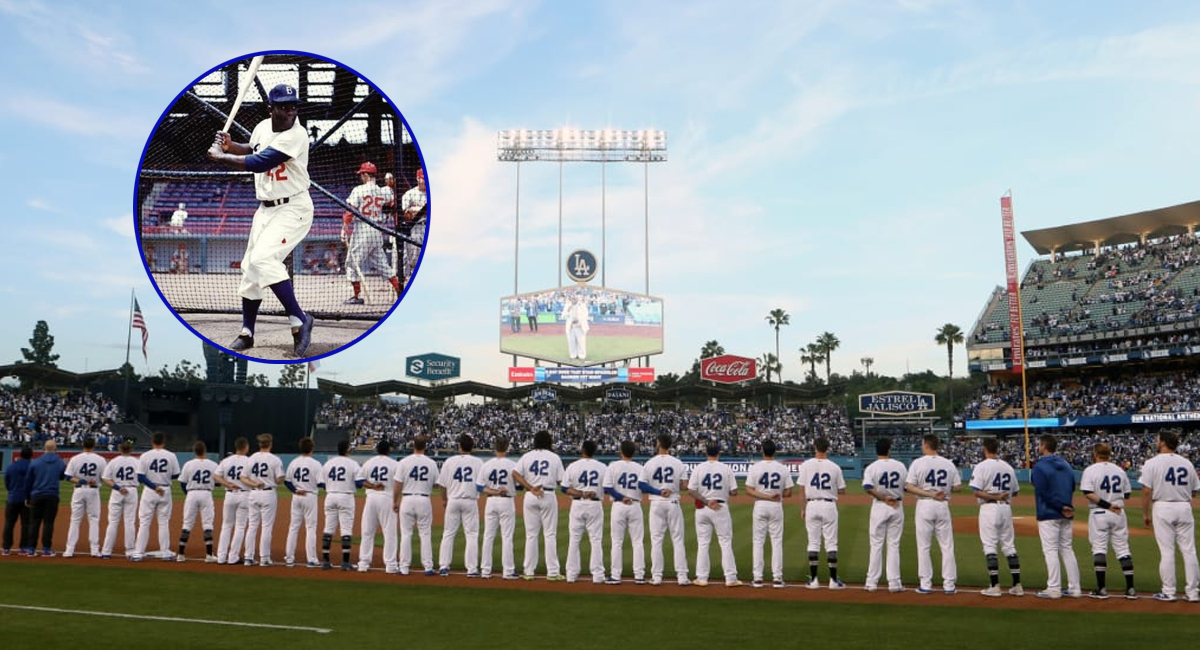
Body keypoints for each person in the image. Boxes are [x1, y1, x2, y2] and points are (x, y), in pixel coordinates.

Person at [207, 83, 315, 357]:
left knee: (264, 259)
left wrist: (222, 157)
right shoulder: (262, 127)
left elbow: (260, 161)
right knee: (250, 268)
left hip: (293, 207)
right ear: (272, 109)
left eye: (294, 106)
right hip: (266, 209)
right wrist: (234, 146)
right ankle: (247, 332)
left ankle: (300, 319)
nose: (290, 110)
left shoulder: (297, 135)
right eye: (284, 106)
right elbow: (252, 148)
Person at [1138, 431, 1199, 602]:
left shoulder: (1152, 462)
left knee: (1167, 551)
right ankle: (1193, 592)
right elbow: (1194, 490)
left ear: (1163, 443)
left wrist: (1145, 513)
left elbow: (1146, 491)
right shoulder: (1187, 463)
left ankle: (1169, 591)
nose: (1156, 442)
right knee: (1189, 551)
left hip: (1163, 506)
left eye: (1158, 440)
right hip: (1184, 506)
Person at [905, 434, 961, 594]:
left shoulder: (918, 463)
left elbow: (909, 486)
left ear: (926, 445)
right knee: (947, 546)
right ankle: (949, 585)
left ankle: (926, 584)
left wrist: (930, 494)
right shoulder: (948, 464)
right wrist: (944, 491)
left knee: (924, 546)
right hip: (943, 505)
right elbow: (958, 487)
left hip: (925, 504)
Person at [1080, 442, 1137, 600]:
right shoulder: (1119, 470)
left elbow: (1088, 493)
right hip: (1119, 513)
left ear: (1095, 454)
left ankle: (1101, 589)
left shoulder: (1090, 470)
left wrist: (1106, 504)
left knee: (1099, 548)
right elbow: (1127, 495)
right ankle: (1131, 589)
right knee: (1123, 549)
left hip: (1099, 512)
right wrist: (1113, 502)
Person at [969, 437, 1023, 597]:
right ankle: (1017, 585)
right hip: (1006, 509)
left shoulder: (982, 466)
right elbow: (1016, 491)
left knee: (990, 546)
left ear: (985, 448)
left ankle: (994, 586)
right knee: (1009, 545)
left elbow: (976, 491)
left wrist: (995, 495)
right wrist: (1002, 494)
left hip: (989, 508)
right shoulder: (1008, 467)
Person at [341, 161, 399, 305]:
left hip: (362, 229)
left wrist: (344, 228)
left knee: (351, 262)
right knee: (382, 264)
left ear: (366, 175)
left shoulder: (359, 190)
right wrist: (390, 184)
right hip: (377, 229)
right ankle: (400, 290)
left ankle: (356, 296)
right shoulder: (384, 191)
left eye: (362, 174)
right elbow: (393, 202)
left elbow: (350, 212)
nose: (361, 177)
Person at [1032, 434, 1082, 599]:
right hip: (1067, 513)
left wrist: (1059, 507)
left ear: (1044, 446)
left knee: (1050, 550)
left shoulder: (1040, 466)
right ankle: (1075, 588)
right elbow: (1072, 487)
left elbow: (1042, 491)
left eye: (1040, 444)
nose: (1038, 447)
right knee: (1067, 549)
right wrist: (1066, 506)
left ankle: (1054, 588)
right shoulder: (1066, 465)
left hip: (1049, 513)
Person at [686, 440, 740, 587]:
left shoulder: (699, 468)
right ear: (719, 452)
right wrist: (724, 492)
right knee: (725, 542)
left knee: (703, 543)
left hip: (703, 508)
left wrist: (706, 500)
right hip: (720, 508)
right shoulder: (725, 468)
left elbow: (691, 490)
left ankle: (702, 578)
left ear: (706, 452)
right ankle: (730, 578)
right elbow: (734, 491)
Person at [513, 430, 566, 581]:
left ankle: (529, 571)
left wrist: (530, 487)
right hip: (547, 494)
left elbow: (515, 473)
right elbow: (561, 480)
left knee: (531, 535)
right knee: (549, 534)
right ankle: (553, 572)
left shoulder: (527, 456)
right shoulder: (554, 457)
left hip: (530, 495)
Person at [797, 437, 846, 589]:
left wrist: (803, 508)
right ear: (828, 447)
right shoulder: (835, 467)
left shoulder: (806, 465)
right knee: (831, 542)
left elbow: (802, 489)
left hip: (811, 505)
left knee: (813, 542)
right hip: (829, 505)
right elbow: (842, 490)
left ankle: (813, 580)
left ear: (814, 447)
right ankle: (833, 581)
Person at [744, 439, 793, 588]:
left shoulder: (755, 467)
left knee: (758, 542)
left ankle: (758, 578)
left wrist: (764, 495)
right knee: (776, 542)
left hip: (760, 505)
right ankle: (777, 578)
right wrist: (776, 495)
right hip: (776, 505)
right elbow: (789, 492)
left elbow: (748, 490)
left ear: (762, 451)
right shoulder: (782, 468)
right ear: (775, 451)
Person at [642, 433, 690, 586]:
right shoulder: (678, 462)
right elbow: (684, 486)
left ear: (658, 444)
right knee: (678, 540)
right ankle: (682, 576)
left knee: (656, 540)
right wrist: (672, 487)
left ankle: (656, 577)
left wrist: (658, 491)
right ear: (670, 445)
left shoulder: (649, 463)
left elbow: (642, 485)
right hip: (673, 501)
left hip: (656, 502)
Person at [862, 437, 907, 593]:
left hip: (880, 506)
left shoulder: (872, 467)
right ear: (889, 449)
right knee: (893, 545)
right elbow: (906, 486)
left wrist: (882, 497)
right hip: (896, 505)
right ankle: (894, 583)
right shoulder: (900, 466)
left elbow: (867, 487)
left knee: (876, 544)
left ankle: (872, 582)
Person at [561, 440, 608, 584]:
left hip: (577, 504)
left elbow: (564, 488)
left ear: (582, 450)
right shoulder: (602, 467)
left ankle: (571, 574)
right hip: (595, 505)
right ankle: (598, 575)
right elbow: (607, 487)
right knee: (596, 540)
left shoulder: (573, 466)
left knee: (574, 539)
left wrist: (581, 493)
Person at [437, 434, 483, 577]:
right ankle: (471, 569)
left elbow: (442, 484)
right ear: (472, 447)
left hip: (453, 500)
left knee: (448, 533)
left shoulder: (450, 461)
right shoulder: (478, 462)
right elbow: (482, 484)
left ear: (459, 446)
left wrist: (444, 500)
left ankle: (444, 566)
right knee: (472, 535)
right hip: (470, 501)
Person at [602, 440, 647, 585]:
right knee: (638, 542)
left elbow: (607, 488)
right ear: (633, 452)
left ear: (621, 451)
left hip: (619, 505)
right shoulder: (640, 468)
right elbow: (644, 488)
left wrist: (622, 497)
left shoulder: (613, 466)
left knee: (617, 542)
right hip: (635, 505)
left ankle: (615, 576)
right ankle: (639, 576)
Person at [132, 432, 180, 561]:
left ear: (152, 441)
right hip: (165, 490)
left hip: (150, 490)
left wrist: (153, 486)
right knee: (163, 522)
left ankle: (138, 553)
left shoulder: (145, 455)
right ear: (164, 442)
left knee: (144, 522)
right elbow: (176, 475)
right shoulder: (171, 455)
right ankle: (165, 552)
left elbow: (140, 476)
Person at [476, 436, 519, 580]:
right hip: (506, 501)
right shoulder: (513, 465)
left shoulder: (486, 465)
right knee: (507, 537)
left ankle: (485, 570)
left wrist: (494, 491)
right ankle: (508, 571)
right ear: (507, 447)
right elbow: (519, 486)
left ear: (495, 448)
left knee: (488, 535)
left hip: (491, 501)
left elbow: (479, 487)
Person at [394, 437, 439, 575]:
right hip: (423, 499)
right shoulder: (431, 463)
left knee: (406, 534)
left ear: (413, 446)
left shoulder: (403, 462)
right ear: (425, 447)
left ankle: (404, 567)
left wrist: (395, 501)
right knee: (425, 534)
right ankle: (428, 567)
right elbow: (437, 483)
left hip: (407, 499)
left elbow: (398, 485)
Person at [242, 433, 284, 566]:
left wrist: (254, 484)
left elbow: (243, 477)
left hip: (253, 493)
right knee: (266, 527)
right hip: (268, 493)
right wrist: (276, 479)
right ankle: (264, 558)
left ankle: (248, 557)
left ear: (259, 444)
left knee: (252, 526)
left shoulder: (252, 458)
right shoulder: (275, 459)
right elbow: (279, 479)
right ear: (270, 444)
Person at [358, 440, 399, 573]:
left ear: (377, 450)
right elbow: (399, 483)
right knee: (390, 532)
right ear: (388, 450)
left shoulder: (369, 462)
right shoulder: (395, 464)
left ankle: (363, 563)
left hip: (371, 498)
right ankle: (390, 564)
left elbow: (360, 481)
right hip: (387, 498)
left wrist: (373, 486)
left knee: (367, 532)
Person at [63, 436, 107, 558]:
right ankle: (94, 550)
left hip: (78, 490)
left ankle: (69, 550)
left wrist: (82, 481)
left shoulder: (75, 458)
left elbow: (68, 477)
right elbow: (104, 478)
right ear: (94, 445)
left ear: (83, 445)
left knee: (75, 520)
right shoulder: (101, 459)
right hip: (93, 491)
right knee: (93, 520)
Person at [321, 439, 362, 570]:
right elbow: (359, 484)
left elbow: (322, 483)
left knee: (328, 528)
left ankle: (326, 561)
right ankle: (345, 563)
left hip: (330, 495)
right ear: (347, 449)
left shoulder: (328, 463)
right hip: (346, 496)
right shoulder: (353, 464)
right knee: (346, 529)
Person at [176, 441, 219, 563]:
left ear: (194, 451)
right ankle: (209, 554)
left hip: (192, 493)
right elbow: (219, 481)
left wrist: (188, 494)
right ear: (205, 451)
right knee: (207, 523)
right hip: (206, 493)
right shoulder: (212, 464)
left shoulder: (188, 464)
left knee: (187, 523)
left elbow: (183, 483)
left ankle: (180, 554)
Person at [284, 437, 324, 568]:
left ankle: (289, 558)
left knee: (293, 527)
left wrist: (295, 490)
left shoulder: (294, 462)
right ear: (312, 448)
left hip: (296, 496)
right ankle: (311, 559)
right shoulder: (316, 464)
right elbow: (321, 483)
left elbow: (287, 481)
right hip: (310, 496)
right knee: (311, 528)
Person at [24, 440, 66, 556]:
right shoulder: (60, 462)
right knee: (48, 523)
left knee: (34, 522)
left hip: (37, 494)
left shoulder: (35, 462)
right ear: (55, 449)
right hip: (52, 495)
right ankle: (46, 548)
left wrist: (27, 497)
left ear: (44, 448)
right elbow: (62, 476)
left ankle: (31, 548)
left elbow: (28, 481)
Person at [215, 437, 252, 565]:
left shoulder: (226, 460)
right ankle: (233, 556)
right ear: (245, 447)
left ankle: (221, 556)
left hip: (229, 495)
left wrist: (227, 484)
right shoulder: (249, 461)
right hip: (244, 495)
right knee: (240, 527)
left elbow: (216, 476)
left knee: (226, 525)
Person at [100, 441, 140, 559]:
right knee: (130, 521)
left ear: (120, 449)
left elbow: (105, 478)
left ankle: (106, 551)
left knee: (112, 522)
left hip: (117, 491)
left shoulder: (114, 461)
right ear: (131, 449)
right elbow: (143, 477)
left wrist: (118, 487)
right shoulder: (137, 461)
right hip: (132, 491)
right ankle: (130, 550)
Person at [3, 446, 33, 556]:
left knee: (9, 523)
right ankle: (23, 547)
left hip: (12, 497)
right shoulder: (31, 466)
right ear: (31, 455)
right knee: (26, 524)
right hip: (26, 499)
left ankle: (6, 548)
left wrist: (11, 491)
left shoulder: (11, 466)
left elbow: (6, 481)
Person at [399, 168, 426, 284]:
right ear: (418, 178)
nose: (424, 182)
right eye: (422, 179)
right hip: (416, 227)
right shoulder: (410, 194)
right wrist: (417, 211)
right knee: (415, 259)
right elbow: (405, 214)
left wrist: (416, 210)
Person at [561, 293, 590, 361]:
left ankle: (582, 356)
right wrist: (568, 310)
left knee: (581, 342)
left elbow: (586, 315)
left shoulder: (582, 305)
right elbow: (563, 315)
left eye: (576, 298)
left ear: (578, 299)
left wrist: (580, 321)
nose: (574, 299)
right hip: (571, 326)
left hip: (580, 326)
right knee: (571, 342)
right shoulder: (568, 305)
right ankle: (573, 355)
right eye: (573, 298)